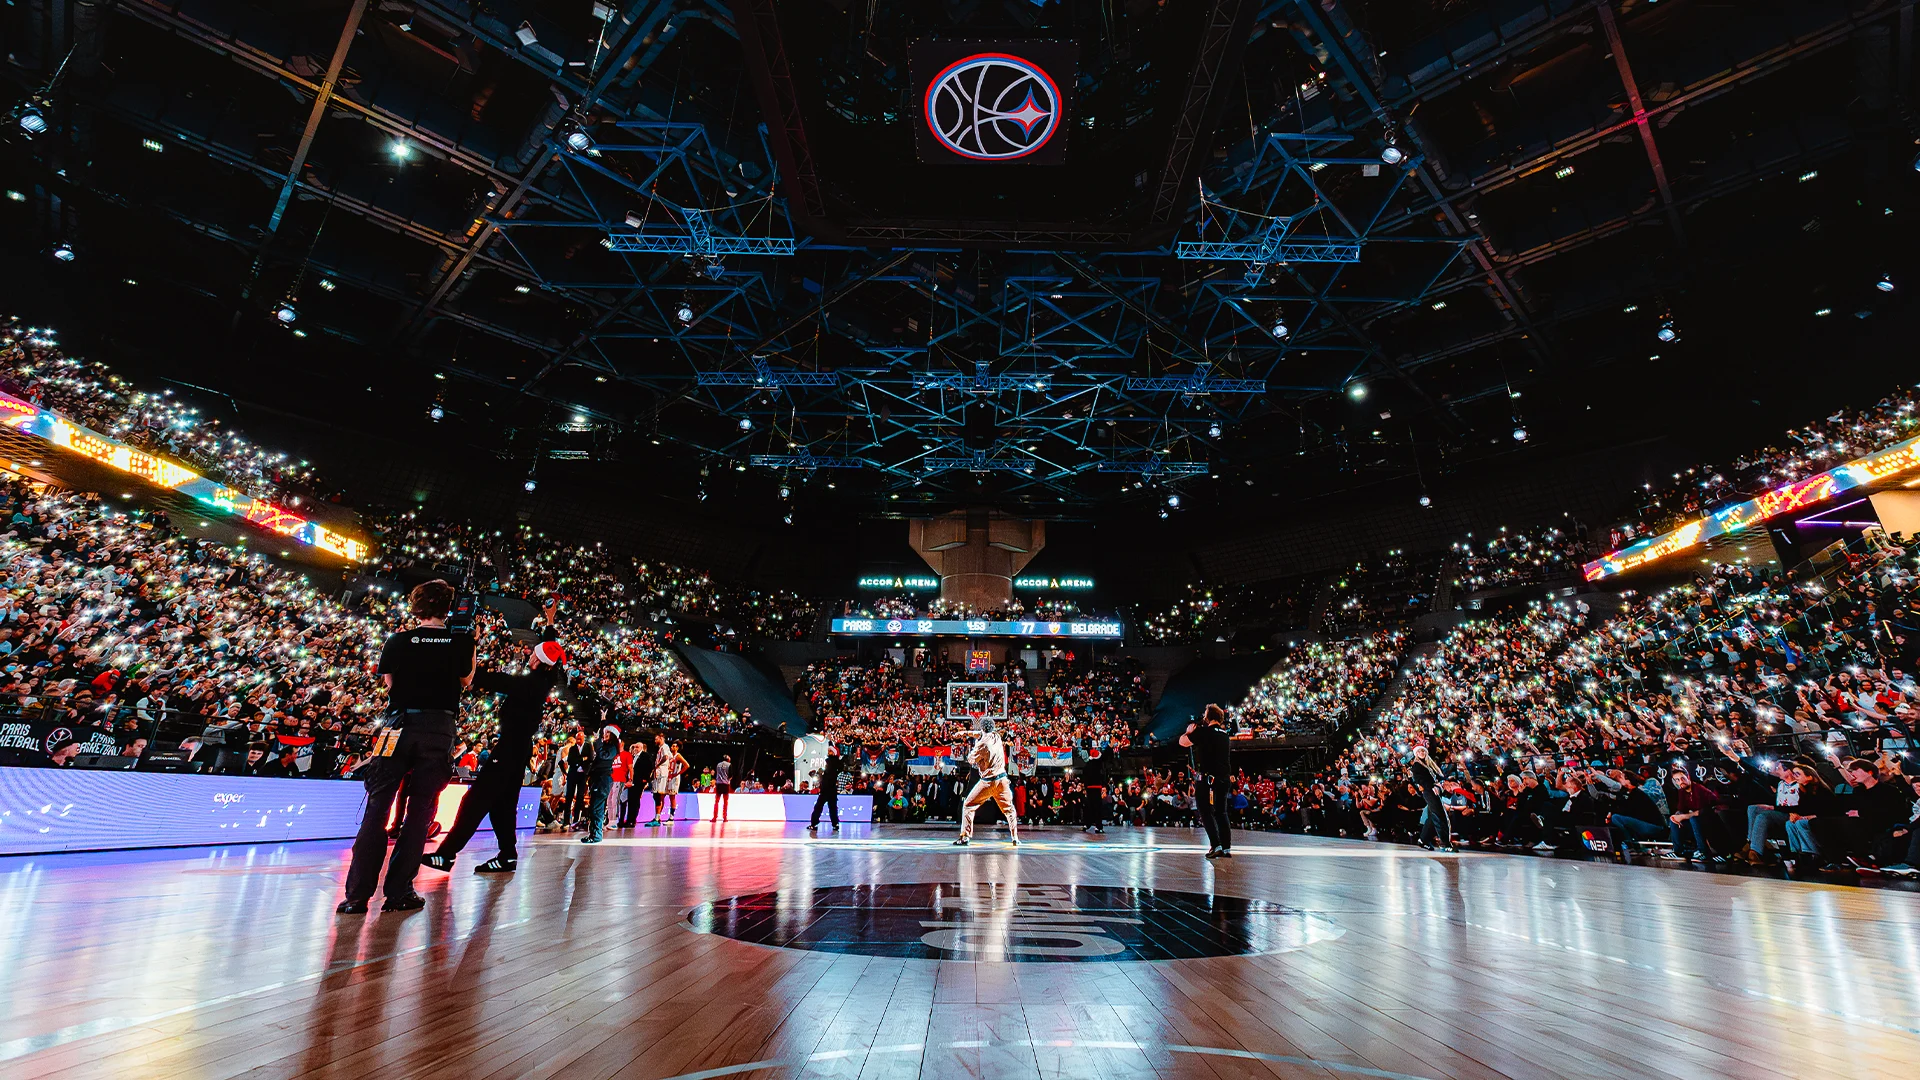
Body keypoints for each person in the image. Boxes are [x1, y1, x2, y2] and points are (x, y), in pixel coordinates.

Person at [337, 580, 475, 914]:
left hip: (395, 725)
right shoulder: (460, 641)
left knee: (377, 805)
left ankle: (356, 896)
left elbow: (389, 683)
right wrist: (471, 643)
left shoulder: (398, 640)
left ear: (416, 606)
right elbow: (467, 679)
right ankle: (398, 892)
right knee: (420, 810)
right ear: (448, 608)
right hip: (438, 728)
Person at [423, 639, 565, 875]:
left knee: (474, 802)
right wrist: (549, 622)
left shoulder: (530, 683)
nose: (529, 655)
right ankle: (508, 856)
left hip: (509, 749)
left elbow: (490, 680)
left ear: (540, 661)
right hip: (518, 749)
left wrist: (472, 649)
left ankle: (446, 855)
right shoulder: (543, 681)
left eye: (534, 655)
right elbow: (551, 652)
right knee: (503, 806)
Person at [1180, 704, 1234, 858]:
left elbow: (1183, 742)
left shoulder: (1204, 732)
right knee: (1221, 812)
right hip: (1224, 778)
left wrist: (1189, 732)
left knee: (1205, 811)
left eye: (1205, 714)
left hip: (1208, 779)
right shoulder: (1224, 734)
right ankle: (1226, 848)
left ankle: (1215, 845)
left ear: (1208, 717)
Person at [954, 717, 1018, 846]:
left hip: (988, 782)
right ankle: (1015, 837)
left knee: (968, 805)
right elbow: (980, 734)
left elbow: (971, 760)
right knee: (1009, 809)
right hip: (1002, 780)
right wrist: (965, 733)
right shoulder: (996, 736)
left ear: (982, 727)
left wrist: (970, 749)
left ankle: (965, 837)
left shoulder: (981, 744)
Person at [582, 723, 622, 843]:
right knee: (593, 808)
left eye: (608, 733)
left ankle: (596, 835)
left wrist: (598, 743)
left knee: (597, 808)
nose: (605, 735)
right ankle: (592, 834)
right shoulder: (603, 746)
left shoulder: (612, 748)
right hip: (597, 779)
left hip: (603, 779)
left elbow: (604, 756)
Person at [1410, 744, 1453, 852]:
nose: (1422, 753)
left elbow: (1438, 777)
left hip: (1434, 790)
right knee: (1440, 816)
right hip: (1429, 792)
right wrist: (1433, 786)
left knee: (1433, 817)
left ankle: (1423, 840)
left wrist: (1439, 784)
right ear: (1416, 753)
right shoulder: (1417, 766)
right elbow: (1420, 780)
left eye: (1423, 751)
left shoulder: (1429, 764)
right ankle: (1445, 843)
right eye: (1419, 751)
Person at [643, 734, 688, 827]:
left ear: (678, 748)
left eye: (675, 746)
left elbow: (687, 765)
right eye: (672, 745)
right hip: (667, 776)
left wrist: (677, 773)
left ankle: (671, 817)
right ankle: (658, 817)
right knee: (661, 796)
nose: (673, 747)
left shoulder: (678, 756)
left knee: (672, 797)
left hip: (673, 778)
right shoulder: (670, 755)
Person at [810, 749, 844, 832]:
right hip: (830, 789)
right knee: (832, 808)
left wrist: (821, 774)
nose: (829, 752)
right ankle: (835, 824)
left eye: (830, 751)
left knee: (819, 807)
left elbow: (828, 774)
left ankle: (814, 823)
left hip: (826, 789)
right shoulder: (836, 763)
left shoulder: (831, 763)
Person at [712, 753, 733, 822]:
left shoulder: (718, 764)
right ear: (728, 759)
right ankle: (725, 817)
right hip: (725, 784)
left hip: (718, 784)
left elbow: (716, 774)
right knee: (725, 801)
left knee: (716, 801)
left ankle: (714, 817)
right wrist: (727, 780)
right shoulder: (729, 765)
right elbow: (731, 776)